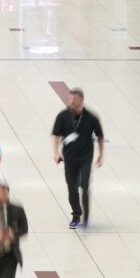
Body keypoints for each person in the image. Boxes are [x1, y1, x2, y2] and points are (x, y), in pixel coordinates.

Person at [49, 88, 106, 229]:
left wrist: (101, 154)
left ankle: (86, 216)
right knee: (72, 188)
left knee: (85, 186)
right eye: (70, 99)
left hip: (86, 157)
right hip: (69, 158)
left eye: (73, 100)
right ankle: (76, 214)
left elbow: (100, 136)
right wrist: (56, 151)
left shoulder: (91, 117)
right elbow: (56, 134)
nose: (71, 102)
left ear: (81, 100)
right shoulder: (63, 116)